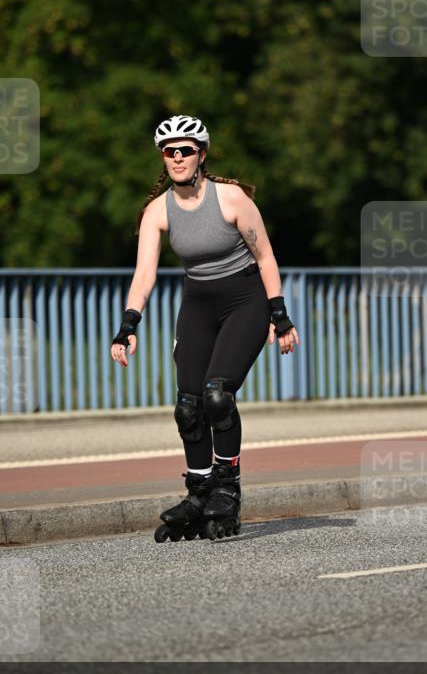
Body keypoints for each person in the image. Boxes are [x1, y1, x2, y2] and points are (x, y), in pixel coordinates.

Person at [111, 115, 299, 542]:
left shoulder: (231, 199)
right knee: (188, 406)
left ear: (202, 154)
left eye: (186, 150)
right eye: (169, 151)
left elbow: (266, 257)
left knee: (217, 395)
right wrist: (128, 325)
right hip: (197, 304)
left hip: (245, 300)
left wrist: (279, 314)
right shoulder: (157, 211)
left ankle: (227, 491)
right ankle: (199, 494)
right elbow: (144, 275)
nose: (177, 157)